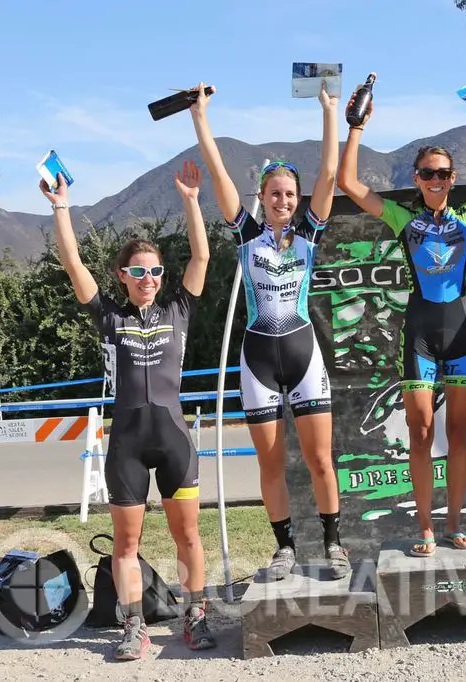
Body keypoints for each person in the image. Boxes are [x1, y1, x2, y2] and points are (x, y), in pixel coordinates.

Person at [335, 84, 466, 557]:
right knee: (420, 433)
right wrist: (356, 127)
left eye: (443, 173)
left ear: (453, 178)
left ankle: (454, 523)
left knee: (459, 434)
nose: (436, 180)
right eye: (427, 173)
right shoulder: (403, 218)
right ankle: (425, 528)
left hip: (460, 333)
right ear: (417, 179)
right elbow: (350, 185)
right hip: (418, 335)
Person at [41, 160, 214, 659]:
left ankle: (195, 615)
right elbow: (74, 263)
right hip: (128, 445)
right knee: (126, 544)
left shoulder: (178, 309)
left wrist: (190, 201)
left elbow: (201, 256)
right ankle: (133, 626)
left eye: (155, 271)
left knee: (188, 536)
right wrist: (62, 208)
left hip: (175, 438)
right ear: (123, 275)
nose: (149, 278)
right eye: (138, 271)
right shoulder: (109, 314)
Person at [189, 82, 348, 580]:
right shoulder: (247, 235)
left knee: (321, 460)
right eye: (274, 193)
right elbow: (218, 175)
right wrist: (200, 119)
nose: (282, 200)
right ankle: (285, 548)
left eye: (289, 194)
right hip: (257, 358)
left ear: (298, 201)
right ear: (261, 197)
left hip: (304, 353)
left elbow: (328, 172)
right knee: (271, 463)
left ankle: (333, 542)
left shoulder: (309, 234)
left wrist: (329, 112)